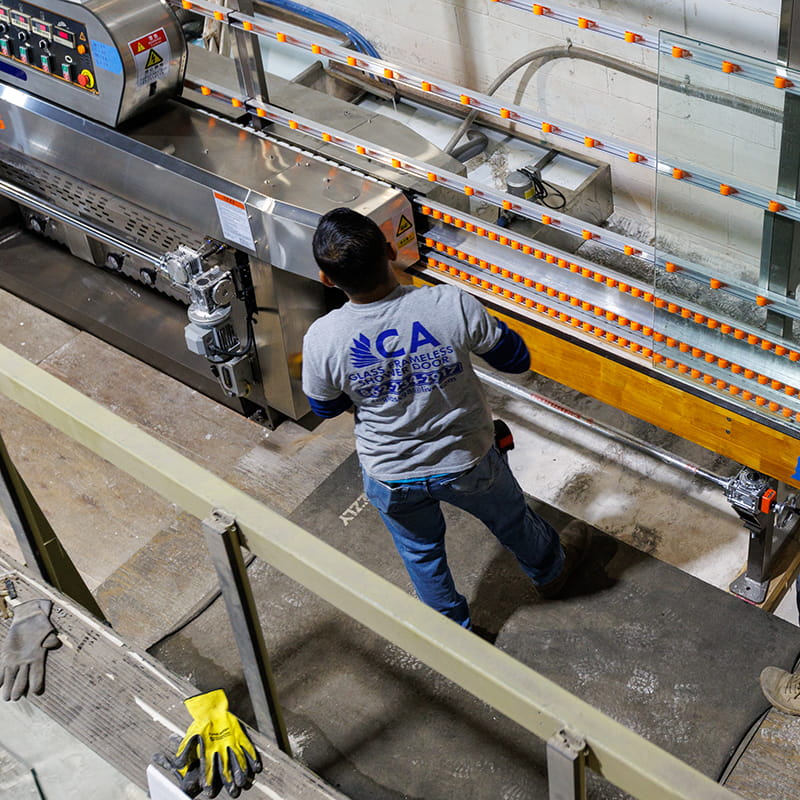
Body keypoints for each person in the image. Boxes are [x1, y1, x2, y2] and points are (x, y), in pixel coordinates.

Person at [302, 207, 590, 632]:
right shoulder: (448, 304)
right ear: (390, 250)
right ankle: (551, 573)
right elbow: (515, 359)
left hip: (390, 472)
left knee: (420, 552)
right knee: (511, 519)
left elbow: (324, 407)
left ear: (328, 279)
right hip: (467, 459)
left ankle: (452, 629)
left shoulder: (322, 338)